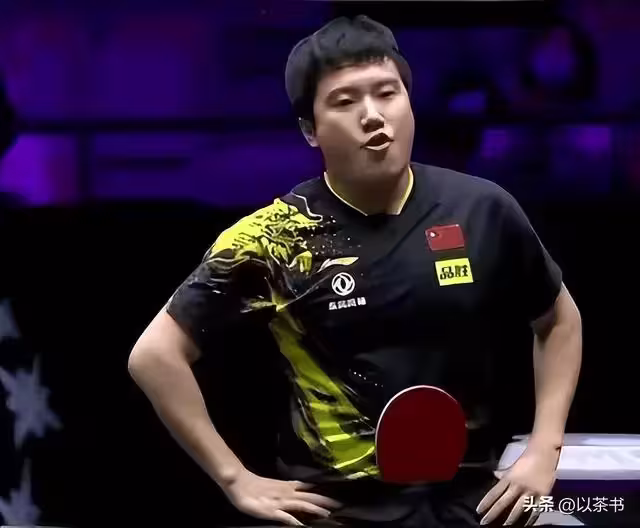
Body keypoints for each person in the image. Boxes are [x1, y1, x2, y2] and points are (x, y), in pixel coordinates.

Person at [128, 15, 582, 528]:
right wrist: (235, 479)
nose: (373, 116)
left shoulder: (482, 208)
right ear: (310, 129)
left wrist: (545, 449)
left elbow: (559, 321)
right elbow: (155, 356)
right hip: (337, 509)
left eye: (387, 93)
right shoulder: (275, 238)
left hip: (470, 499)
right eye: (344, 102)